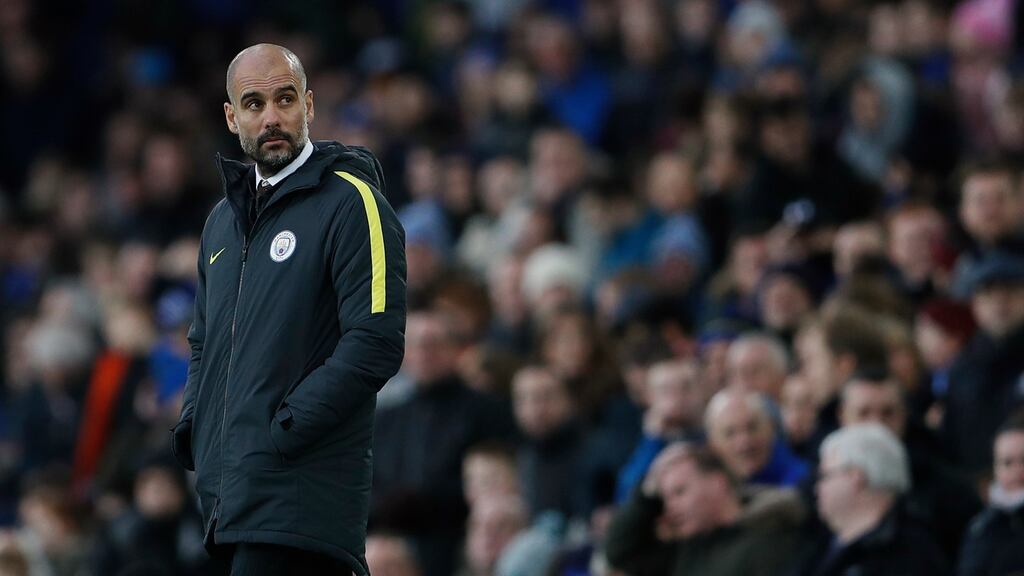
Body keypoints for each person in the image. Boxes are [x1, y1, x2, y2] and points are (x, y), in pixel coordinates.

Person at [169, 44, 408, 576]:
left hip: (301, 506)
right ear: (232, 117)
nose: (272, 117)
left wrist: (286, 430)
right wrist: (195, 427)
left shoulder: (352, 201)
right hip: (226, 504)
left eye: (285, 99)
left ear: (310, 105)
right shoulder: (220, 224)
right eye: (254, 104)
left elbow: (376, 342)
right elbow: (204, 341)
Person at [605, 443, 806, 576]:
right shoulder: (689, 547)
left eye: (680, 492)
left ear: (718, 482)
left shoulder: (770, 536)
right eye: (664, 498)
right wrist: (647, 495)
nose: (670, 507)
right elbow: (621, 552)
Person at [791, 423, 949, 576]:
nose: (817, 487)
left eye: (824, 476)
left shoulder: (911, 554)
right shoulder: (822, 542)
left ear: (855, 477)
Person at [957, 413, 1024, 576]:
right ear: (996, 470)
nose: (1018, 470)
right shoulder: (980, 529)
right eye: (1007, 463)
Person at [705, 388, 810, 487]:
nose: (744, 442)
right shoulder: (713, 492)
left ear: (771, 429)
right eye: (730, 433)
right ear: (713, 445)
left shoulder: (803, 482)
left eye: (752, 428)